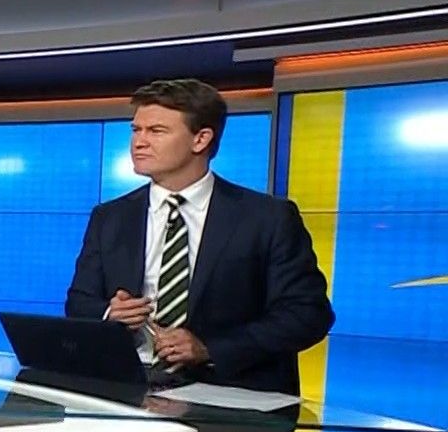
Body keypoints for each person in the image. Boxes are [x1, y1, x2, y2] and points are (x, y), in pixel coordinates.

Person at [65, 78, 334, 395]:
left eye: (156, 131)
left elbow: (307, 314)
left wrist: (209, 348)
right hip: (127, 390)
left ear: (201, 139)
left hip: (232, 395)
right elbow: (79, 302)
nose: (139, 142)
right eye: (136, 130)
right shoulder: (109, 217)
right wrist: (110, 313)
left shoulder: (267, 218)